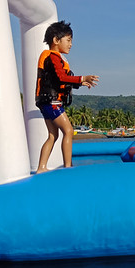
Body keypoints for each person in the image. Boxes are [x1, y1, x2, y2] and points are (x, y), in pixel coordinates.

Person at [35, 21, 99, 172]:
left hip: (44, 101)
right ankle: (68, 166)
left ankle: (41, 167)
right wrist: (82, 78)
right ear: (56, 40)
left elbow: (59, 80)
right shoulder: (53, 57)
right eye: (68, 40)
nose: (70, 44)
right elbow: (61, 77)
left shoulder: (53, 58)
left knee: (53, 135)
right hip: (52, 101)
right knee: (68, 131)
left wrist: (79, 83)